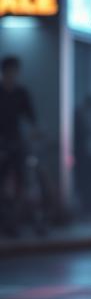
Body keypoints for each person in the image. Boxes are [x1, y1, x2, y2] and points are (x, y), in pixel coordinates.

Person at [0, 56, 38, 233]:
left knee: (22, 181)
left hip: (16, 142)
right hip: (2, 143)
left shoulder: (21, 93)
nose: (12, 75)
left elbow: (31, 117)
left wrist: (35, 131)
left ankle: (14, 222)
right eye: (10, 71)